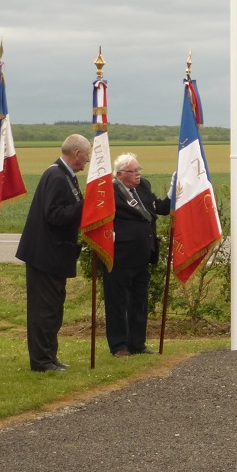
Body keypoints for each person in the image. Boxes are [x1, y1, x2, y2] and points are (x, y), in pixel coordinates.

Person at [16, 134, 89, 372]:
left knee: (54, 309)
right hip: (45, 255)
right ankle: (41, 360)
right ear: (76, 153)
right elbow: (55, 215)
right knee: (44, 310)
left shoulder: (66, 176)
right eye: (86, 155)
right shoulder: (57, 176)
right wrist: (85, 205)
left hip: (54, 255)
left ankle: (50, 355)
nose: (88, 160)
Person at [101, 153, 170, 357]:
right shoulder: (109, 191)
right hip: (119, 256)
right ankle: (119, 346)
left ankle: (137, 343)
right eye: (134, 171)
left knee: (139, 302)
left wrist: (175, 192)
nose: (138, 174)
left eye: (139, 169)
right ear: (121, 174)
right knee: (117, 303)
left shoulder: (144, 186)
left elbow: (160, 208)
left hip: (143, 254)